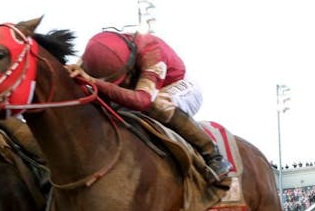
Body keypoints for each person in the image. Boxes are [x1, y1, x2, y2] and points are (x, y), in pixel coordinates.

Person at [68, 30, 232, 186]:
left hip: (178, 86)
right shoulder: (95, 52)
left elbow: (143, 101)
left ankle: (213, 155)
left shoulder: (152, 51)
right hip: (142, 89)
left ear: (131, 65)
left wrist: (97, 83)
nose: (124, 83)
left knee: (156, 104)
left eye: (124, 79)